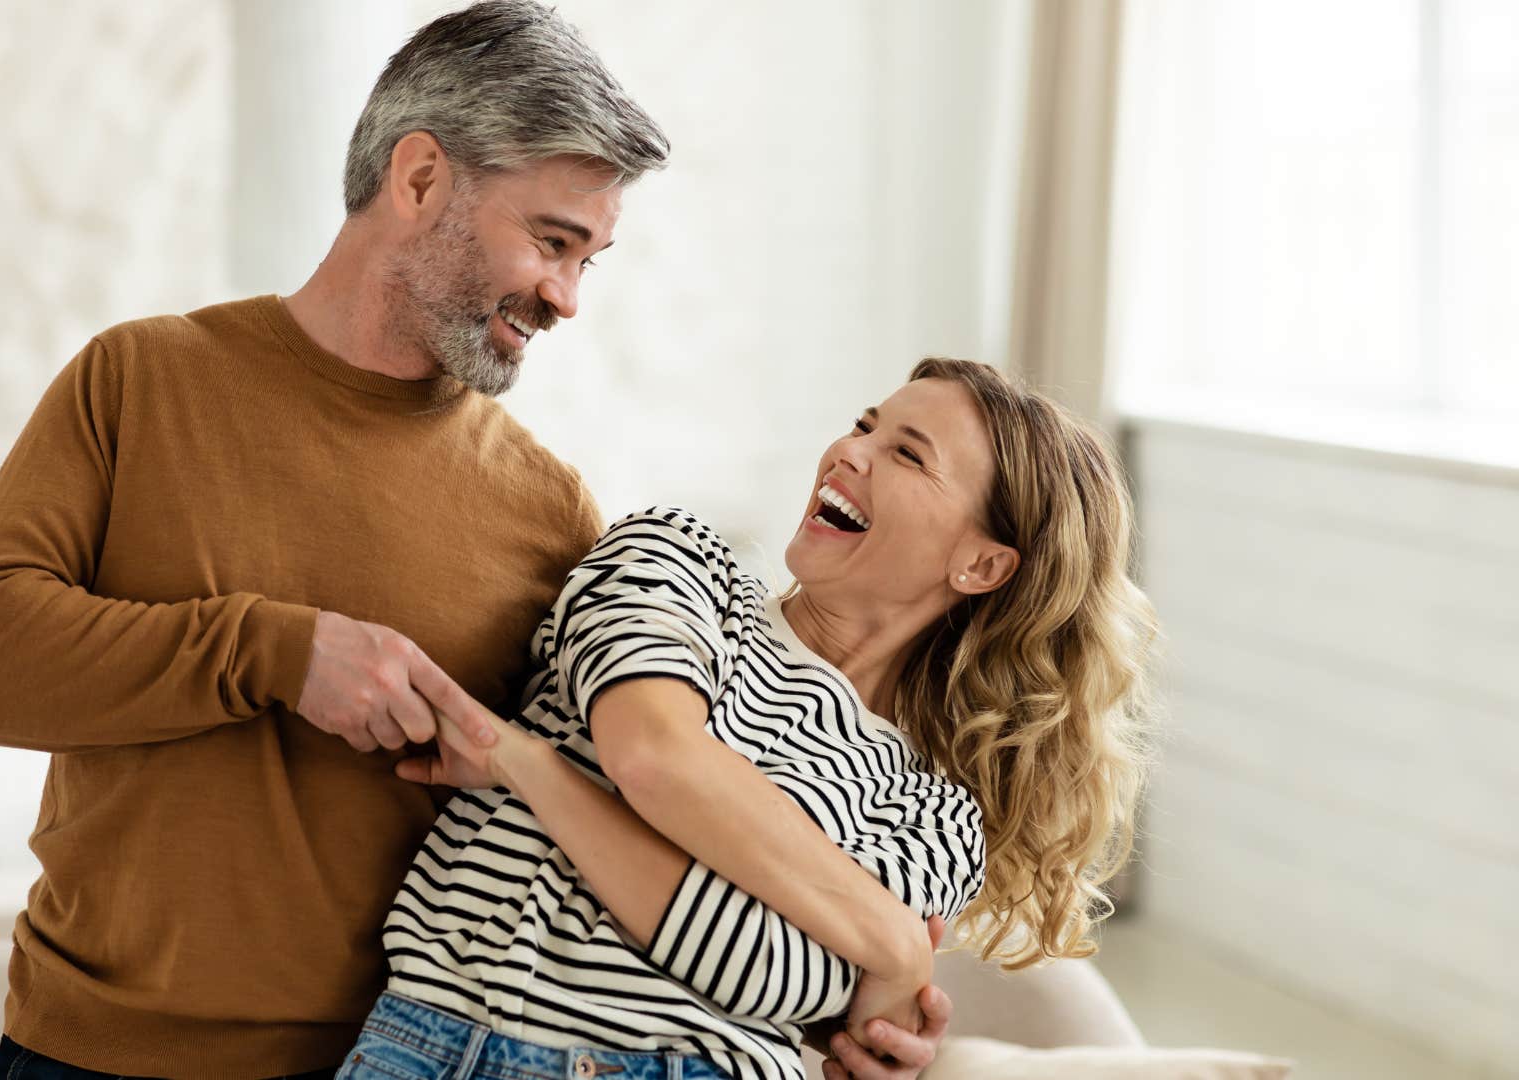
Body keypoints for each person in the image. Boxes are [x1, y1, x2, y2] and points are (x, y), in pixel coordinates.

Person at [0, 3, 949, 1077]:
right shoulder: (142, 380)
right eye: (552, 243)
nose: (568, 298)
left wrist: (834, 1024)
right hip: (89, 1055)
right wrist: (275, 653)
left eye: (590, 260)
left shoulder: (551, 510)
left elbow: (604, 847)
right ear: (418, 181)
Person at [338, 359, 1158, 1080]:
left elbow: (773, 973)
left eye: (907, 454)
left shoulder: (940, 821)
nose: (849, 451)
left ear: (981, 563)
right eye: (864, 426)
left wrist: (528, 766)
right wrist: (890, 938)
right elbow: (652, 753)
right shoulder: (677, 561)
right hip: (432, 1043)